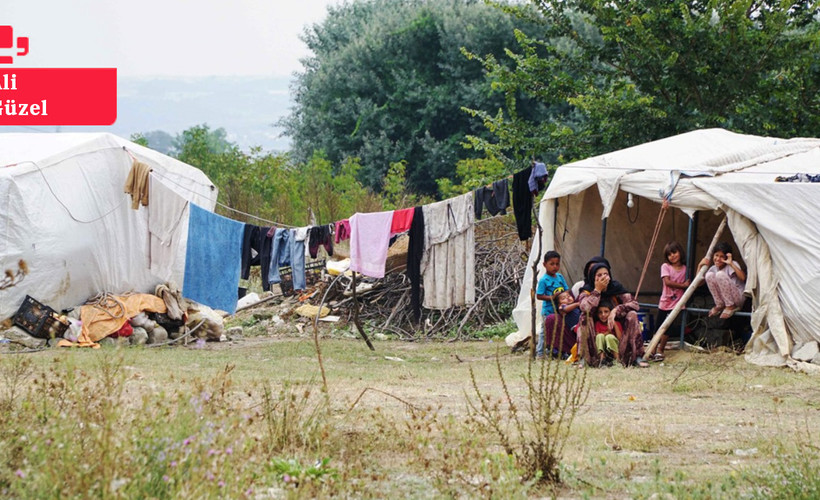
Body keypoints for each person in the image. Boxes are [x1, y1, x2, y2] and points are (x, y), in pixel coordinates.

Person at [577, 257, 649, 368]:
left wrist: (616, 310)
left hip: (618, 335)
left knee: (632, 315)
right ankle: (585, 359)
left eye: (605, 274)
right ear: (592, 277)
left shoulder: (616, 287)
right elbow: (585, 307)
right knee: (584, 317)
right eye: (599, 275)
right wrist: (597, 291)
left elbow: (634, 304)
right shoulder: (586, 290)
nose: (603, 277)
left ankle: (636, 357)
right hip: (596, 338)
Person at [652, 241, 690, 361]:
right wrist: (683, 286)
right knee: (658, 327)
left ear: (680, 252)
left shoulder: (685, 269)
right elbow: (667, 282)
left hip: (677, 304)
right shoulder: (665, 266)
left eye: (674, 252)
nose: (672, 256)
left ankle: (660, 350)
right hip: (665, 302)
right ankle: (652, 349)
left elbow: (692, 282)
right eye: (669, 254)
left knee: (668, 329)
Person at [535, 250, 570, 359]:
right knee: (544, 332)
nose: (555, 267)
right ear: (545, 264)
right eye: (552, 264)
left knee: (559, 330)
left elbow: (566, 290)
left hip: (559, 310)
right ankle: (540, 353)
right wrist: (552, 297)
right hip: (548, 311)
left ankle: (558, 351)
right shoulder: (543, 280)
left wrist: (565, 298)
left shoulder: (559, 277)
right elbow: (539, 295)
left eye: (557, 264)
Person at [699, 242, 746, 319]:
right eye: (716, 255)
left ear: (726, 257)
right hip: (725, 300)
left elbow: (743, 278)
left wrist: (731, 263)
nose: (718, 259)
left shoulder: (732, 264)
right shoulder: (713, 268)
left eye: (722, 256)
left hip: (738, 298)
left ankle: (730, 306)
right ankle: (720, 304)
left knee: (720, 274)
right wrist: (699, 266)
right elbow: (699, 283)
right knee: (709, 275)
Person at [542, 290, 580, 359]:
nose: (567, 298)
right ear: (559, 304)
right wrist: (577, 304)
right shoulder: (562, 307)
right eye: (563, 298)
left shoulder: (576, 308)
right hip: (573, 328)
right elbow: (565, 309)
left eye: (569, 296)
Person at [593, 300, 621, 365]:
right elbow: (597, 338)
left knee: (609, 337)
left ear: (611, 313)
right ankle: (602, 360)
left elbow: (620, 338)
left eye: (606, 312)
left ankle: (617, 360)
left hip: (614, 349)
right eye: (600, 312)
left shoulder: (616, 323)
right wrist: (608, 331)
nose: (603, 315)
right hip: (603, 349)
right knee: (600, 336)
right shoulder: (598, 324)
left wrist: (614, 325)